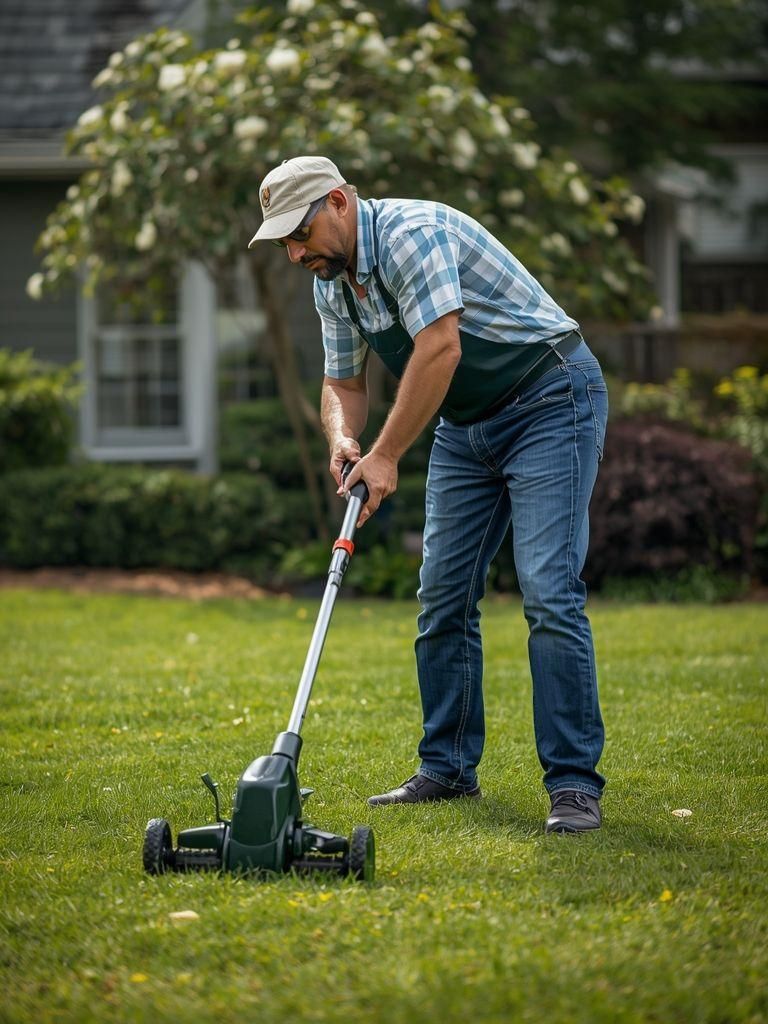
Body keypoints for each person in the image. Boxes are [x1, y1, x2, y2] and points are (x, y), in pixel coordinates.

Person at [249, 155, 608, 834]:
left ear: (338, 202)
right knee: (442, 593)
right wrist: (344, 441)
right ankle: (446, 769)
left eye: (300, 233)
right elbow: (343, 384)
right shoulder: (333, 281)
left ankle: (572, 785)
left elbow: (440, 347)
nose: (295, 253)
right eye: (285, 243)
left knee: (547, 589)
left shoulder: (414, 234)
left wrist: (386, 454)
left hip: (549, 398)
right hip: (466, 423)